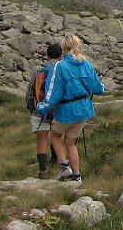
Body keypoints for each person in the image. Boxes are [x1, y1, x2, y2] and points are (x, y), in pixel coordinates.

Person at [35, 33, 104, 184]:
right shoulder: (87, 64)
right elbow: (98, 89)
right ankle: (77, 176)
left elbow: (54, 92)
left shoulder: (61, 66)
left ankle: (65, 168)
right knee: (71, 143)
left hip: (67, 111)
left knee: (54, 136)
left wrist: (42, 108)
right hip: (84, 110)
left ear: (64, 48)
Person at [31, 43, 62, 179]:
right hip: (58, 110)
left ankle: (43, 171)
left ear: (47, 55)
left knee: (42, 140)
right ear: (61, 55)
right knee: (56, 136)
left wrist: (32, 107)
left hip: (41, 109)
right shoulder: (62, 69)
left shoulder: (39, 69)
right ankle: (55, 160)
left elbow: (30, 90)